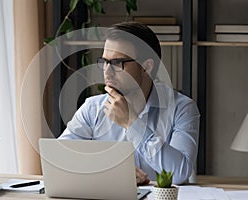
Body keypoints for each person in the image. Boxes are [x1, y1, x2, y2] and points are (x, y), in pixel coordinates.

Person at [58, 22, 200, 185]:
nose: (107, 71)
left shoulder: (181, 108)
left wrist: (131, 122)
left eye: (118, 63)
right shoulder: (93, 108)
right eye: (104, 61)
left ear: (146, 67)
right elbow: (59, 159)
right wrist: (111, 171)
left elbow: (179, 174)